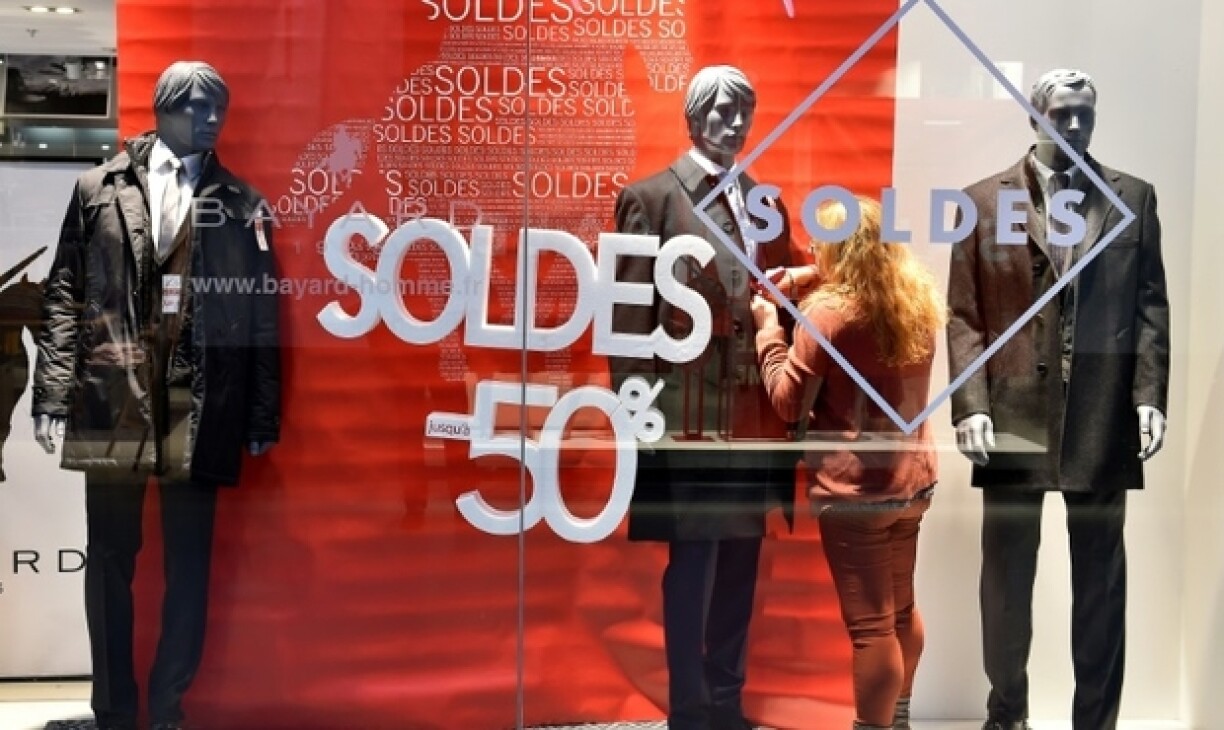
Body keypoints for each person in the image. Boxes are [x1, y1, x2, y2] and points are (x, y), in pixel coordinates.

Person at [31, 61, 281, 730]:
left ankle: (169, 708)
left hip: (200, 405)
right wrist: (52, 391)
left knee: (188, 565)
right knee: (110, 558)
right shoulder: (97, 189)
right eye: (197, 106)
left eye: (218, 109)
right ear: (163, 107)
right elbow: (64, 293)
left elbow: (262, 316)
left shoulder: (241, 203)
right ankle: (113, 712)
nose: (211, 119)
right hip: (110, 398)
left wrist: (259, 412)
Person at [946, 68, 1169, 730]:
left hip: (1100, 412)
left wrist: (1149, 395)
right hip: (1012, 410)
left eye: (1085, 115)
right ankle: (1006, 711)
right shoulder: (983, 202)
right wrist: (973, 403)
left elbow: (1149, 306)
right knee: (1006, 581)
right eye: (1063, 113)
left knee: (1100, 584)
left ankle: (1095, 722)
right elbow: (963, 314)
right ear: (1034, 116)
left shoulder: (1132, 198)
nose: (1075, 126)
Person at [608, 64, 794, 730]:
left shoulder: (762, 200)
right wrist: (637, 415)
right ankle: (690, 711)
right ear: (692, 118)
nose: (735, 122)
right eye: (720, 110)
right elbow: (627, 323)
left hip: (752, 416)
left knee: (743, 558)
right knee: (695, 560)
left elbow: (784, 301)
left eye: (744, 109)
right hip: (685, 418)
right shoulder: (652, 198)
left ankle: (725, 703)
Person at [752, 197, 944, 730]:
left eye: (817, 244)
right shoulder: (916, 299)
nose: (810, 251)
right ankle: (899, 717)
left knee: (871, 628)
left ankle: (873, 727)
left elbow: (789, 401)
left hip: (856, 491)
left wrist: (769, 328)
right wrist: (809, 273)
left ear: (836, 248)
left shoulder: (827, 315)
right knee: (902, 612)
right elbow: (861, 281)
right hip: (912, 484)